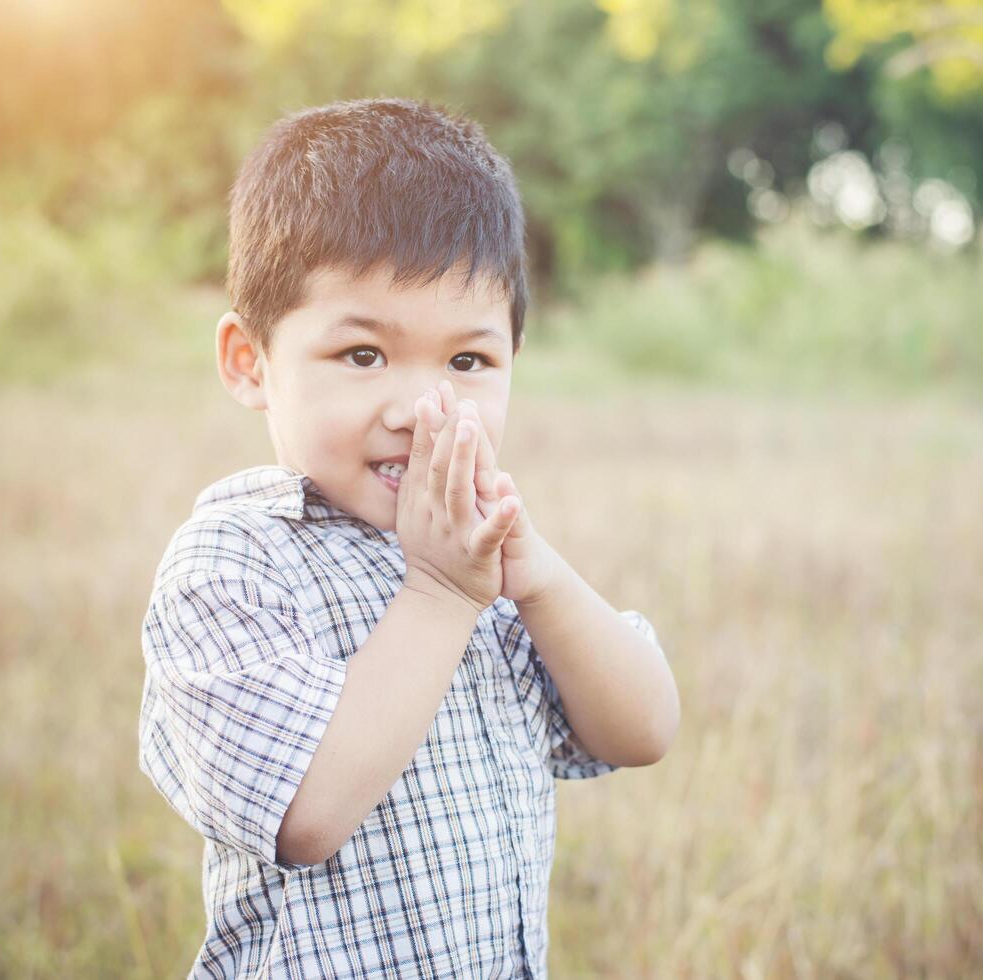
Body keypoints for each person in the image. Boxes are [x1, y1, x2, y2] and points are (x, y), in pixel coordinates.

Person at [137, 97, 680, 978]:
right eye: (362, 355)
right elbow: (304, 815)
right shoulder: (235, 562)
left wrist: (537, 581)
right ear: (250, 363)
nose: (420, 411)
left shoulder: (479, 555)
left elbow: (643, 729)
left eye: (467, 363)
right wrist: (437, 596)